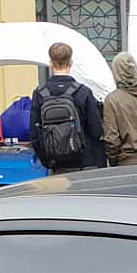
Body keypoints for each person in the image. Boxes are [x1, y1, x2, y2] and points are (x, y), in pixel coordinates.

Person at [30, 42, 105, 175]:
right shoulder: (83, 92)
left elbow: (34, 135)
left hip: (56, 163)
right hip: (83, 162)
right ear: (71, 63)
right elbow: (96, 130)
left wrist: (47, 160)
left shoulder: (40, 93)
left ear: (51, 63)